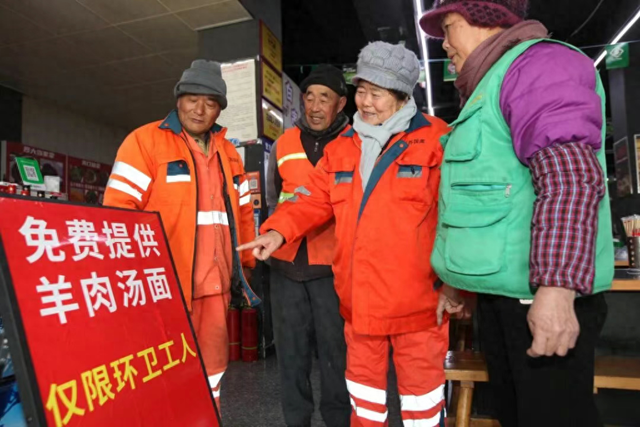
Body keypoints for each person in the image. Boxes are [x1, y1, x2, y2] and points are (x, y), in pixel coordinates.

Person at [420, 1, 613, 426]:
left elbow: (568, 177)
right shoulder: (497, 80)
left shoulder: (538, 67)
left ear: (485, 19)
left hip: (539, 295)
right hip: (508, 298)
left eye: (449, 27)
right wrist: (458, 281)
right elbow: (484, 196)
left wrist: (557, 289)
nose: (444, 43)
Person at [239, 42, 451, 427]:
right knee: (365, 404)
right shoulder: (343, 147)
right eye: (361, 91)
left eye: (376, 93)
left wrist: (457, 286)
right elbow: (311, 199)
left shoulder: (437, 140)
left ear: (403, 96)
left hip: (418, 304)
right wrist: (277, 232)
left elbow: (457, 217)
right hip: (359, 303)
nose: (365, 102)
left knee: (421, 407)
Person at [103, 59, 259, 408]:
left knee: (212, 372)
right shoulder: (144, 142)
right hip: (163, 288)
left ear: (220, 109)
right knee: (163, 372)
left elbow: (243, 214)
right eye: (192, 99)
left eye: (210, 102)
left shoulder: (229, 153)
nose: (200, 110)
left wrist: (246, 264)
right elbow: (118, 214)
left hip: (215, 286)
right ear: (178, 100)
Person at [265, 65, 351, 427]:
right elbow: (273, 199)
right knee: (290, 356)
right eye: (309, 97)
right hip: (286, 267)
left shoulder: (356, 144)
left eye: (324, 98)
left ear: (340, 103)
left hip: (332, 268)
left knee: (336, 355)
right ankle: (296, 421)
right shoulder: (283, 144)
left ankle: (338, 420)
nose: (315, 106)